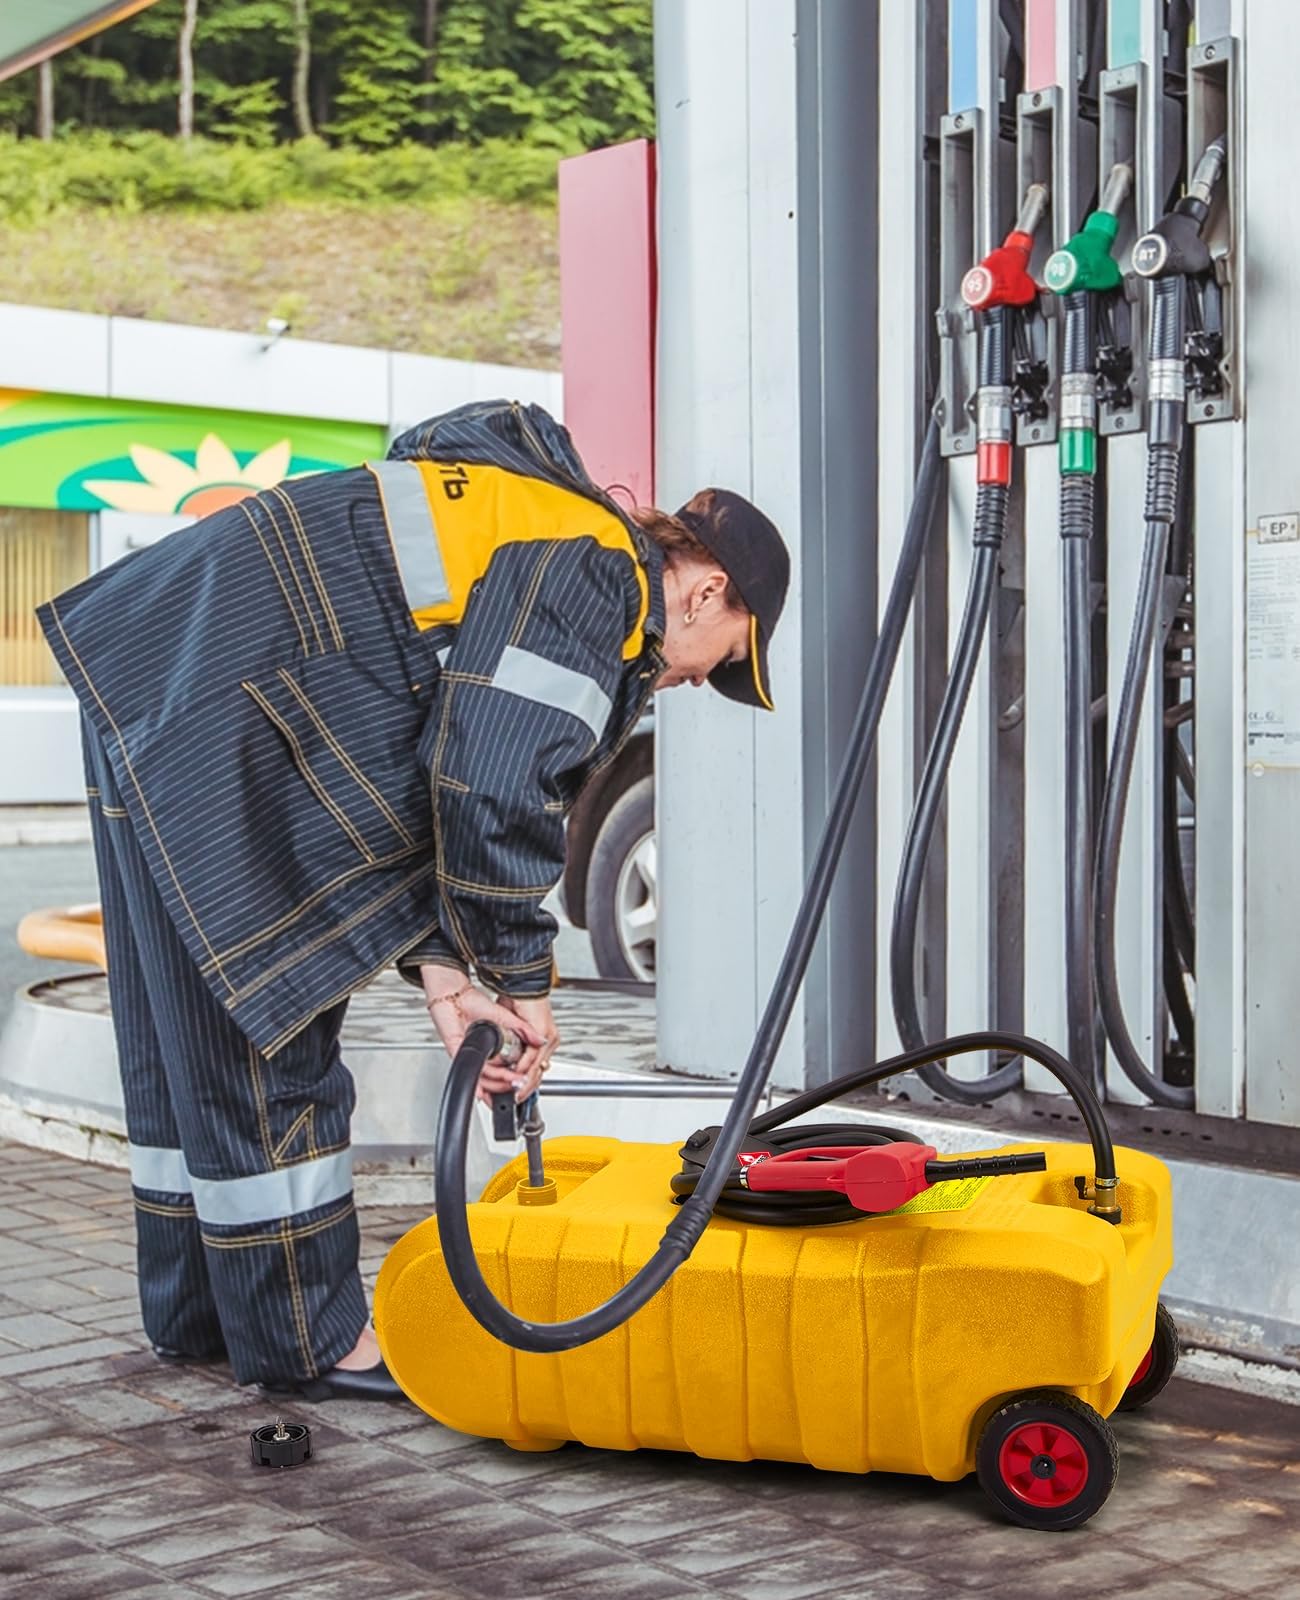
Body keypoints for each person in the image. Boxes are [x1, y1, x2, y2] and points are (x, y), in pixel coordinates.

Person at [38, 400, 789, 1401]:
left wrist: (448, 978)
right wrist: (521, 971)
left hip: (159, 675)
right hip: (221, 707)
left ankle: (202, 1314)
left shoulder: (531, 520)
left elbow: (429, 758)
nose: (700, 684)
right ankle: (308, 1339)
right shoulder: (599, 576)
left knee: (187, 1024)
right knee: (277, 1018)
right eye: (729, 658)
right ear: (706, 590)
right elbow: (489, 781)